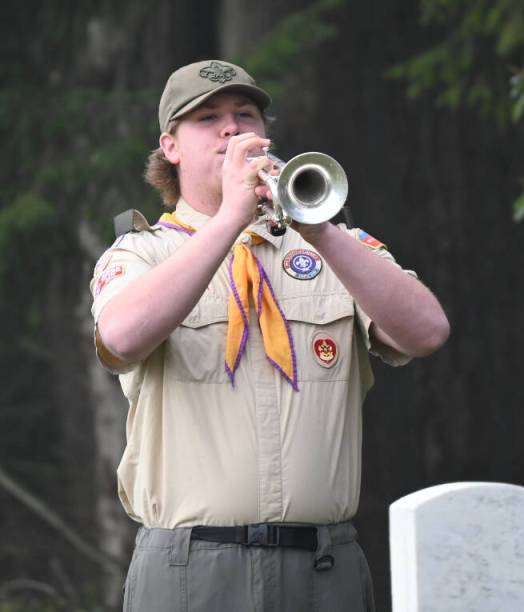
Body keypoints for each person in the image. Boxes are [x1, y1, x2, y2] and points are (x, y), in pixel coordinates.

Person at [89, 59, 449, 612]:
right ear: (171, 147)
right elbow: (122, 337)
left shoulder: (335, 244)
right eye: (208, 118)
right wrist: (231, 218)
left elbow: (426, 331)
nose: (231, 129)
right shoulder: (141, 252)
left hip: (324, 568)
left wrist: (320, 229)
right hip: (190, 570)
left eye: (245, 114)